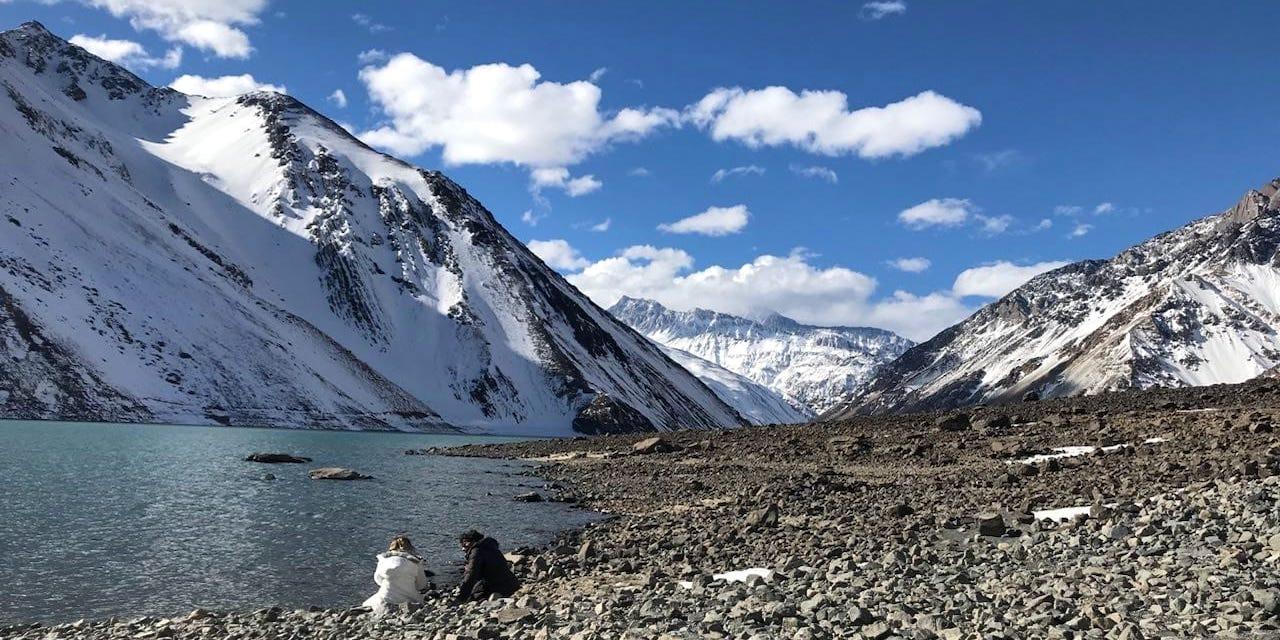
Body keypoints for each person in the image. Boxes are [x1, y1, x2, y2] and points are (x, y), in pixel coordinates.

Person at [362, 535, 430, 615]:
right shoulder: (415, 562)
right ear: (409, 547)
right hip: (409, 598)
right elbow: (421, 585)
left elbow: (378, 579)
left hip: (385, 597)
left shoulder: (383, 559)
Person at [454, 529, 520, 603]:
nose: (463, 549)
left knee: (475, 594)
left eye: (464, 544)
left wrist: (461, 598)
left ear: (472, 541)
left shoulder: (476, 551)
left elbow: (471, 575)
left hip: (500, 588)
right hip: (512, 584)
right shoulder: (491, 547)